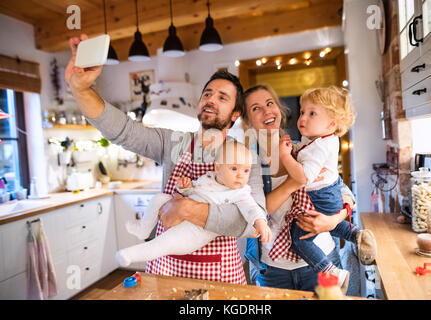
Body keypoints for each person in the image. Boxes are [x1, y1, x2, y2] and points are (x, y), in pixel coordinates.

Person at [65, 34, 265, 284]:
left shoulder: (246, 158)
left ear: (235, 113)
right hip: (166, 267)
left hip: (218, 275)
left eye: (222, 97)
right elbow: (124, 130)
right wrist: (81, 89)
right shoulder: (172, 142)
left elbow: (250, 224)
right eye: (207, 94)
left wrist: (187, 208)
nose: (211, 99)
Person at [241, 84, 355, 292]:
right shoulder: (246, 163)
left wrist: (332, 221)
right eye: (255, 108)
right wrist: (295, 182)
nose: (266, 111)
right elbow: (255, 212)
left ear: (279, 109)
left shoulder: (305, 148)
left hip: (322, 258)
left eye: (269, 103)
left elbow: (344, 192)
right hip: (274, 269)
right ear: (247, 121)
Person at [274, 86, 377, 289]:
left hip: (320, 195)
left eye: (312, 113)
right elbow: (304, 152)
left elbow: (302, 177)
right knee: (332, 224)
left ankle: (331, 272)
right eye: (302, 111)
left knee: (300, 239)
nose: (303, 117)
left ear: (332, 123)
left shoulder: (320, 146)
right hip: (328, 192)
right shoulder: (319, 140)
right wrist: (292, 148)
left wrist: (285, 156)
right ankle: (358, 234)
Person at [115, 140, 272, 267]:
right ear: (218, 168)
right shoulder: (209, 178)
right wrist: (186, 187)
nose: (240, 176)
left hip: (195, 232)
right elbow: (194, 193)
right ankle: (144, 229)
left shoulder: (240, 192)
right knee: (160, 198)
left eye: (246, 171)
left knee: (162, 244)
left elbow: (251, 208)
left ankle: (130, 255)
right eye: (234, 168)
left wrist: (261, 223)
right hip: (183, 214)